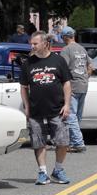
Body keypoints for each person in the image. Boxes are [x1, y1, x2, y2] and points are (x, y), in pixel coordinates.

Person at [19, 32, 73, 185]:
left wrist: (67, 104)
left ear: (45, 43)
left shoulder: (58, 60)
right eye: (31, 44)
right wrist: (27, 106)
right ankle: (42, 172)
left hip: (57, 109)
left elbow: (67, 83)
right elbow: (23, 87)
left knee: (62, 141)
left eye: (35, 44)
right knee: (38, 143)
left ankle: (58, 170)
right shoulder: (28, 63)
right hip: (36, 111)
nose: (32, 46)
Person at [58, 26, 91, 152]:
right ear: (74, 35)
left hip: (72, 85)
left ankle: (78, 143)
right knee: (77, 117)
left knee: (70, 115)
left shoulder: (66, 50)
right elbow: (90, 66)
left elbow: (63, 68)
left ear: (65, 37)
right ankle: (72, 141)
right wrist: (85, 78)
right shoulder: (82, 49)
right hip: (83, 84)